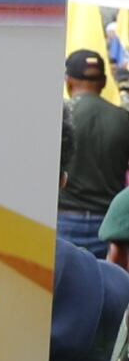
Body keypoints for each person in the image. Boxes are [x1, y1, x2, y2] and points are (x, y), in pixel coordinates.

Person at [63, 51, 129, 254]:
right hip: (108, 226)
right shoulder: (123, 119)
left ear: (68, 81)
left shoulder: (58, 116)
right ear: (103, 82)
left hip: (63, 221)